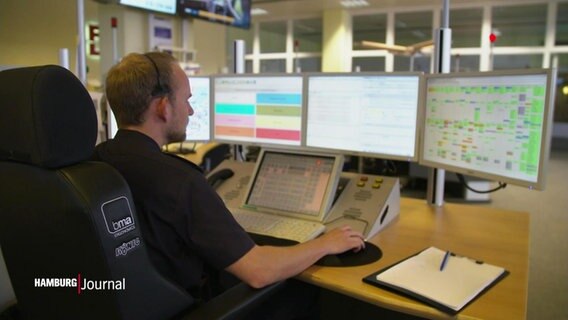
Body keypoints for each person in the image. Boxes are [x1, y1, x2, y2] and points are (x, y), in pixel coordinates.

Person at [93, 51, 365, 309]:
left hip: (133, 307)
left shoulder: (93, 163)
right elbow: (259, 270)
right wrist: (326, 243)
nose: (190, 111)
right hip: (189, 310)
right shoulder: (180, 181)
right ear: (164, 107)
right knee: (308, 294)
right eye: (187, 100)